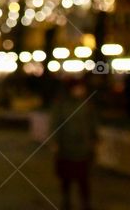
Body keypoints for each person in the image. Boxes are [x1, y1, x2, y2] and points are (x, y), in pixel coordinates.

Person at [51, 80, 97, 210]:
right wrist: (55, 141)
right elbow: (55, 123)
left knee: (84, 178)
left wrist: (94, 138)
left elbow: (92, 122)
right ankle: (66, 200)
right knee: (66, 177)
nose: (80, 91)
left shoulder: (87, 104)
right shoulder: (62, 105)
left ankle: (85, 202)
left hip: (83, 148)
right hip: (66, 147)